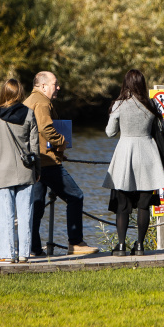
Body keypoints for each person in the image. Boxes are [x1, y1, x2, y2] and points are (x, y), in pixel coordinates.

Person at [26, 71, 98, 256]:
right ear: (43, 86)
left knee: (36, 205)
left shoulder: (29, 101)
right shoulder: (41, 102)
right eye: (55, 84)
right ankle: (75, 243)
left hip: (34, 161)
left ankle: (33, 248)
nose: (58, 88)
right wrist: (62, 142)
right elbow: (46, 128)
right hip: (47, 164)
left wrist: (56, 151)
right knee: (75, 196)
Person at [102, 69, 164, 257]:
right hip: (148, 154)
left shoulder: (119, 104)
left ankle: (121, 246)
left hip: (125, 154)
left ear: (125, 84)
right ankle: (139, 246)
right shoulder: (152, 104)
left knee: (122, 204)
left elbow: (110, 132)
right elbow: (160, 128)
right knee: (144, 205)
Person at [0, 78, 40, 263]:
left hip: (2, 171)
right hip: (26, 171)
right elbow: (35, 147)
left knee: (5, 215)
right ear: (20, 94)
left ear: (4, 93)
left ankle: (7, 254)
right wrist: (37, 170)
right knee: (25, 214)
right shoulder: (30, 114)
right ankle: (24, 254)